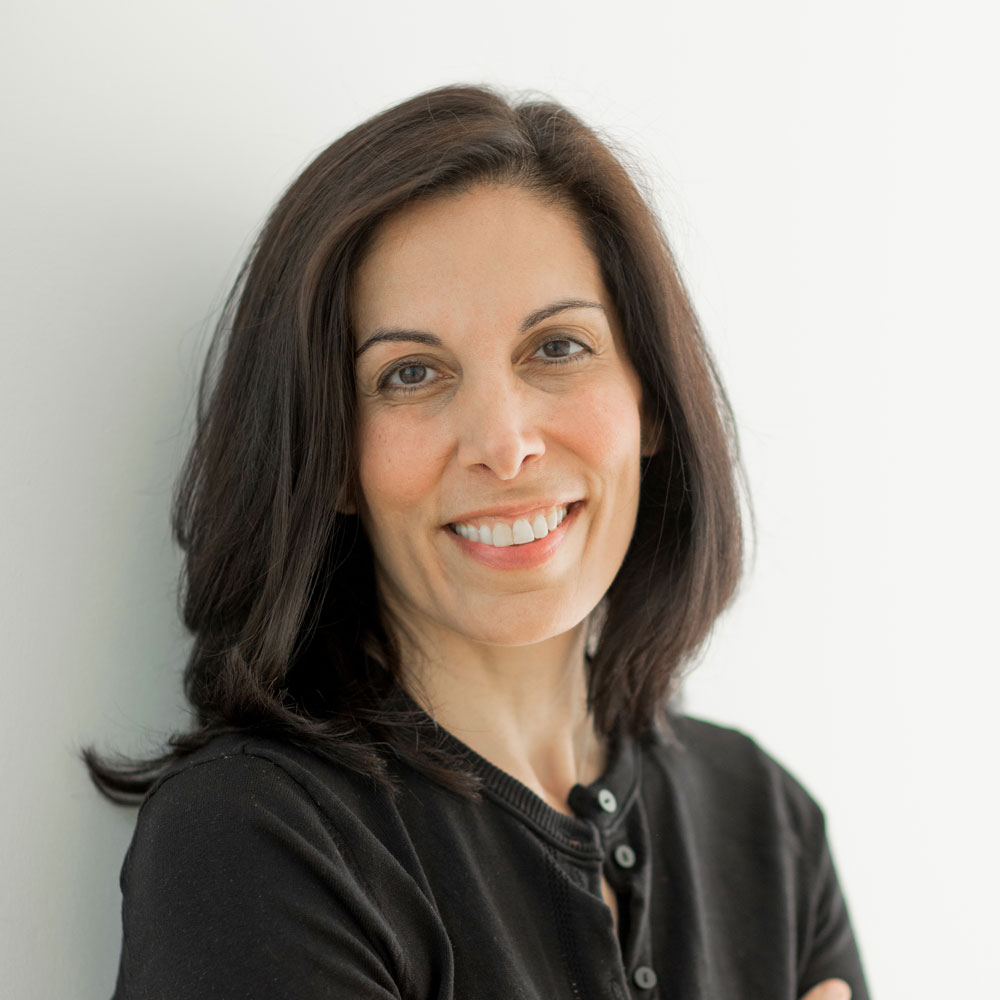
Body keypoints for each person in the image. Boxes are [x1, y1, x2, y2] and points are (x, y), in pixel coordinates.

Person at [85, 83, 870, 1000]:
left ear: (650, 398)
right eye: (411, 373)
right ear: (331, 457)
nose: (504, 443)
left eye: (558, 348)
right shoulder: (255, 839)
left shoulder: (767, 821)